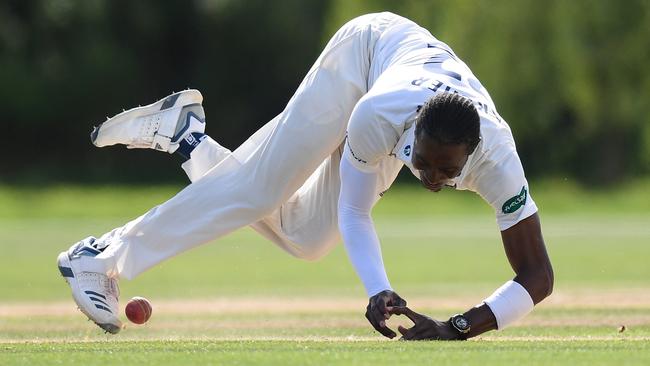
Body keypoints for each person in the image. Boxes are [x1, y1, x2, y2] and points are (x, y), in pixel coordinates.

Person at [57, 12, 553, 340]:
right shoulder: (378, 116)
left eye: (447, 171)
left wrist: (456, 327)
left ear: (472, 156)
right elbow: (356, 210)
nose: (429, 178)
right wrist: (378, 288)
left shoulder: (499, 163)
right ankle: (98, 259)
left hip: (402, 78)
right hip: (364, 54)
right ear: (411, 134)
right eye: (421, 163)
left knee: (308, 238)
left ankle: (188, 139)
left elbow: (538, 277)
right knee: (259, 189)